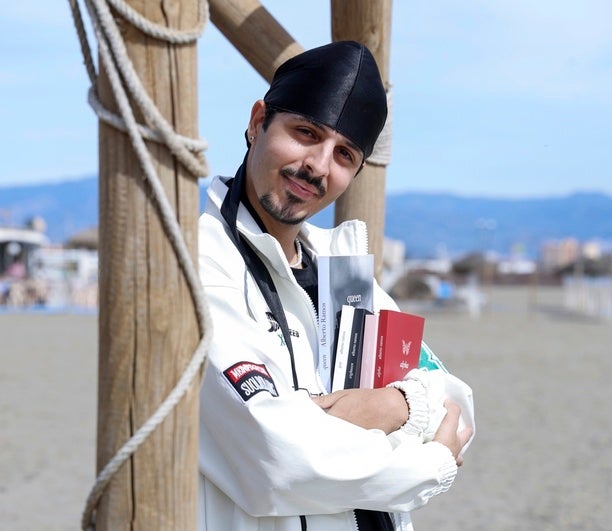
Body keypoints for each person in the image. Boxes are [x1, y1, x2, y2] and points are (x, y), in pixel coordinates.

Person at [198, 41, 475, 531]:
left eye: (344, 154)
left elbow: (456, 405)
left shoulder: (343, 273)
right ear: (258, 120)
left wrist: (398, 404)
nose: (318, 166)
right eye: (306, 133)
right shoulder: (200, 262)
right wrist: (430, 464)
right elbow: (276, 463)